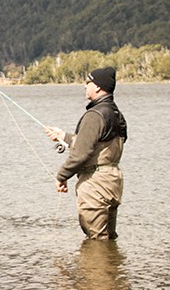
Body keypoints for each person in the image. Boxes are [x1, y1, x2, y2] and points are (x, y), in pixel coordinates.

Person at [44, 67, 127, 240]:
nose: (85, 86)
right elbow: (100, 146)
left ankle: (97, 267)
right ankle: (112, 266)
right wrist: (64, 137)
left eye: (88, 82)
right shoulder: (116, 113)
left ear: (97, 87)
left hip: (95, 184)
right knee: (107, 237)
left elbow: (81, 154)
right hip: (113, 180)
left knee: (96, 238)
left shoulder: (94, 115)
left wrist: (61, 176)